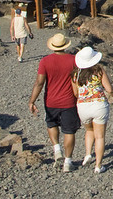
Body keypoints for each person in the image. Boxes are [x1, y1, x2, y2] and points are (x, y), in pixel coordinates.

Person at [28, 33, 80, 172]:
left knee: (51, 123)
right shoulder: (73, 60)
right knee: (69, 131)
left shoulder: (45, 61)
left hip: (51, 100)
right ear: (65, 45)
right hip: (69, 101)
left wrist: (32, 100)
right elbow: (78, 80)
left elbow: (39, 83)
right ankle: (68, 161)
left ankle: (57, 149)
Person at [71, 46, 113, 174]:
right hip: (99, 105)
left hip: (83, 106)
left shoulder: (75, 74)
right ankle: (98, 166)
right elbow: (109, 89)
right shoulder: (99, 71)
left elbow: (75, 93)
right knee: (100, 137)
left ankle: (88, 154)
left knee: (89, 130)